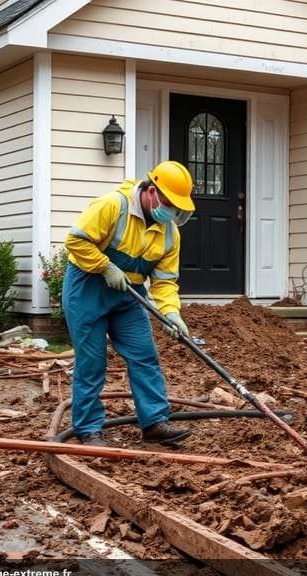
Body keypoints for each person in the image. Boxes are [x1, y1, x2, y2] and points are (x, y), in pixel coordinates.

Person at [62, 161, 197, 447]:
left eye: (177, 208)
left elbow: (164, 282)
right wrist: (104, 266)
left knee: (144, 355)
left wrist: (171, 314)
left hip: (129, 296)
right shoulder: (113, 205)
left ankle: (155, 422)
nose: (172, 212)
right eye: (169, 204)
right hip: (88, 288)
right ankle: (88, 429)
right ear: (151, 192)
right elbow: (75, 241)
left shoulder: (170, 233)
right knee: (92, 361)